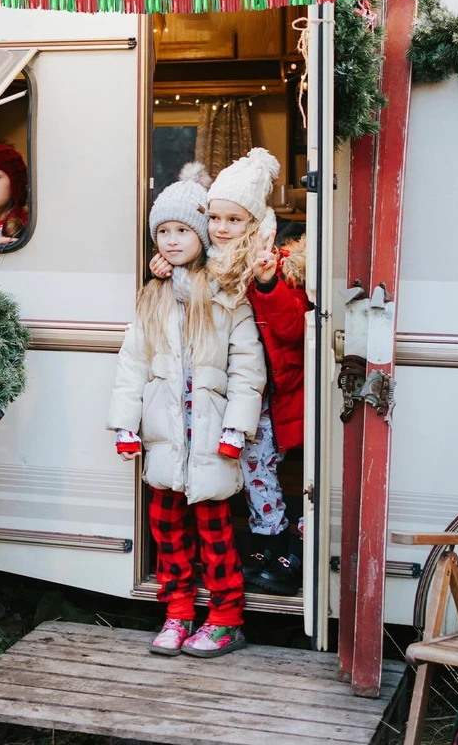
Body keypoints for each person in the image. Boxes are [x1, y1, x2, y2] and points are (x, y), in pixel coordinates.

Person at [108, 162, 265, 658]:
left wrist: (237, 429)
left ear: (201, 235)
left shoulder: (227, 296)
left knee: (216, 536)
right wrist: (125, 424)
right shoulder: (153, 297)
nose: (172, 241)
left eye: (182, 231)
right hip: (165, 440)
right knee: (168, 534)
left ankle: (226, 619)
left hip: (213, 439)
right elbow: (133, 364)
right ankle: (177, 613)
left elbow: (247, 369)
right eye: (163, 232)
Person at [152, 148, 311, 596]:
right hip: (233, 388)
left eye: (234, 220)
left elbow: (292, 328)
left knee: (269, 465)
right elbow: (188, 294)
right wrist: (165, 268)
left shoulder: (276, 263)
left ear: (255, 223)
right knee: (247, 465)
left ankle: (286, 544)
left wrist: (267, 283)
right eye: (215, 218)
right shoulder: (207, 264)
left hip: (275, 389)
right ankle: (265, 544)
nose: (222, 228)